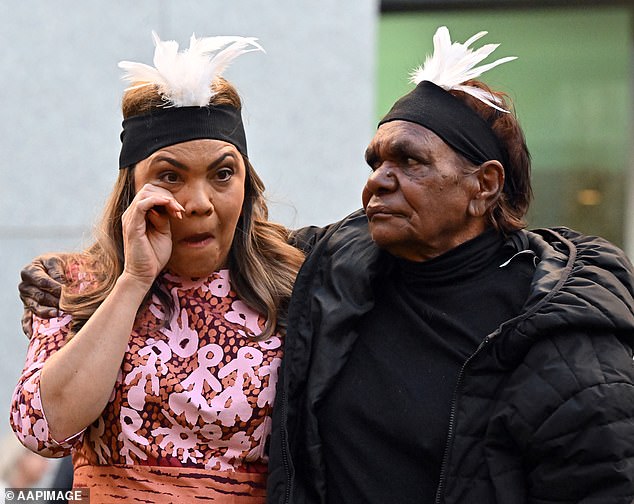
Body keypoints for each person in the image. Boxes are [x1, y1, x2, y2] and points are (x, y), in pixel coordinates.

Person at [17, 27, 634, 503]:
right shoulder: (335, 267)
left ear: (484, 184)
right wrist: (118, 277)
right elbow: (43, 439)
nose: (378, 184)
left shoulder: (553, 324)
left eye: (410, 164)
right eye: (374, 164)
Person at [10, 32, 304, 503]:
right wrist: (134, 280)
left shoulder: (294, 284)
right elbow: (42, 429)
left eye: (222, 173)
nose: (199, 202)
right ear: (133, 192)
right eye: (170, 177)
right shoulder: (76, 284)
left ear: (247, 184)